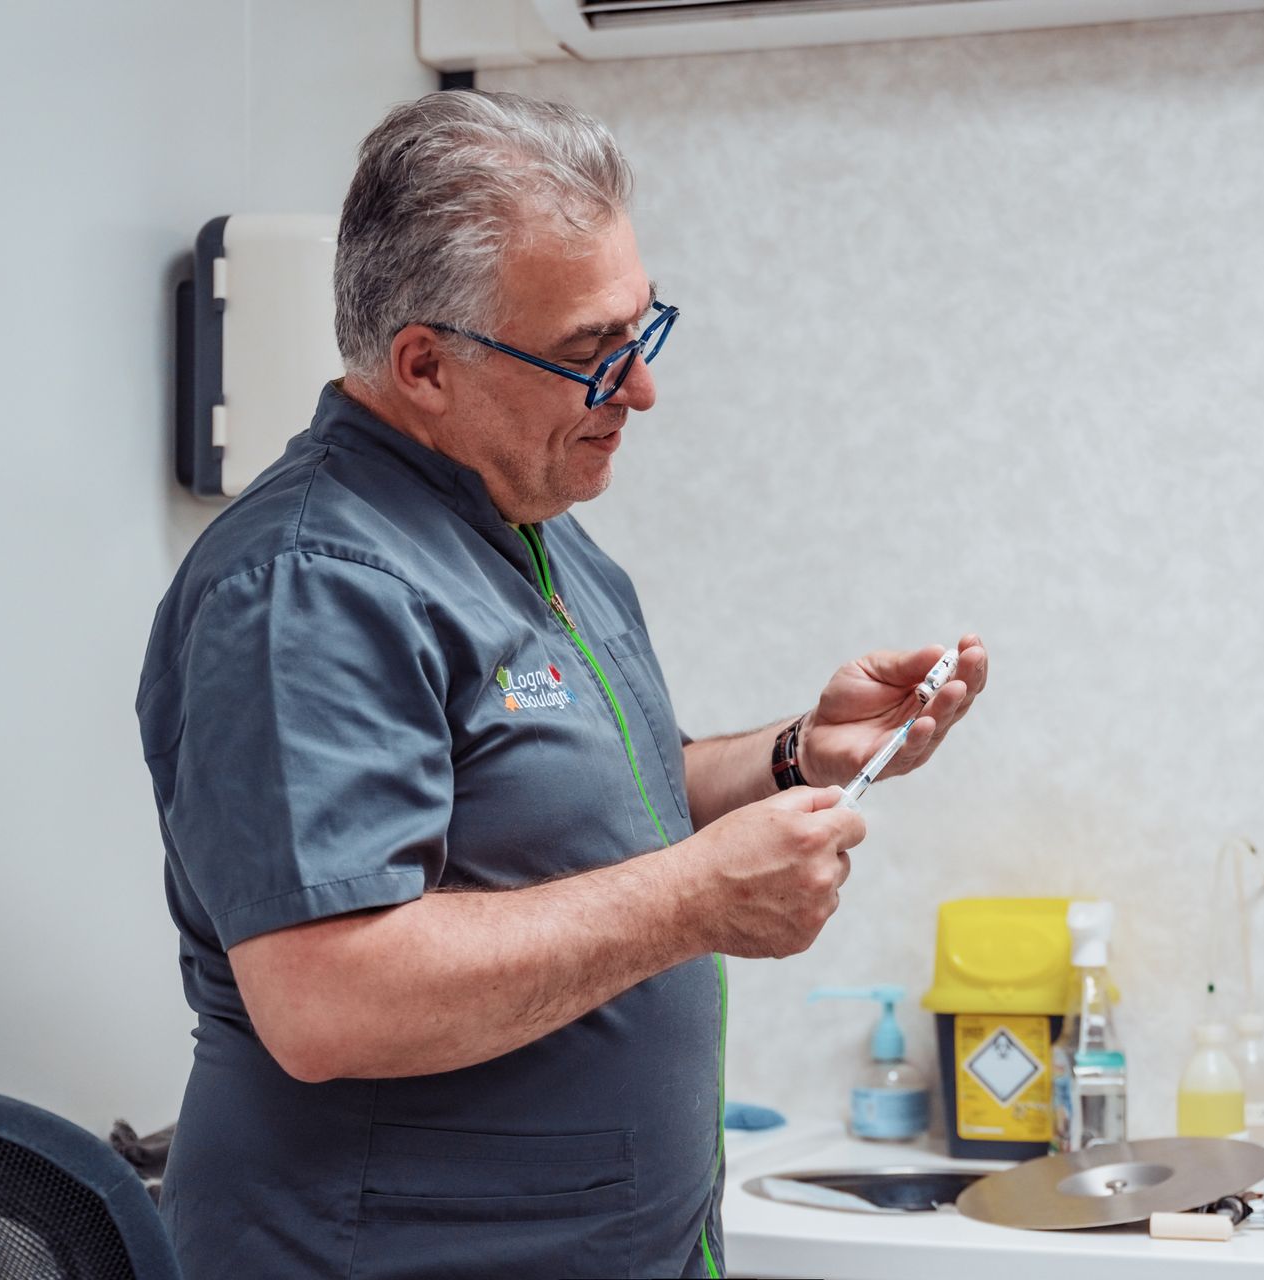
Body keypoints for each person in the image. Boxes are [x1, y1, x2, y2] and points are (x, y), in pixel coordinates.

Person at [136, 89, 986, 1280]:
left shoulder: (532, 524)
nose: (640, 390)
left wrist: (796, 752)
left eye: (643, 331)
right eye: (591, 354)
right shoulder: (307, 584)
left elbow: (593, 803)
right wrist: (696, 899)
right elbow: (330, 996)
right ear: (425, 365)